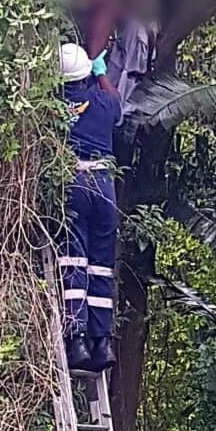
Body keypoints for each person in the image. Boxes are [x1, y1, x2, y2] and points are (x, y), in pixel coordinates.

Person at [58, 43, 121, 373]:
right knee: (100, 265)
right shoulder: (103, 100)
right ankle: (103, 342)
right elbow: (118, 107)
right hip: (105, 185)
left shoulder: (57, 106)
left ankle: (76, 339)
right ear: (87, 73)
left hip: (75, 182)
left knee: (74, 258)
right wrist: (102, 73)